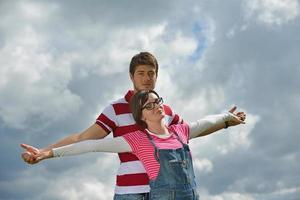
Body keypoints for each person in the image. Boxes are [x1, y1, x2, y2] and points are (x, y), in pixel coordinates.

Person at [21, 52, 243, 200]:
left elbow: (195, 130)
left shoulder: (164, 111)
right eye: (141, 73)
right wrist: (44, 152)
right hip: (131, 192)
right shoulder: (116, 109)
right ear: (131, 76)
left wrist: (226, 121)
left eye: (151, 73)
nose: (146, 78)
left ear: (156, 76)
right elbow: (84, 140)